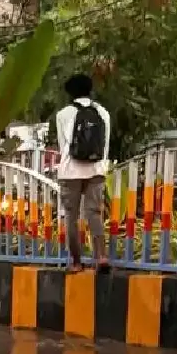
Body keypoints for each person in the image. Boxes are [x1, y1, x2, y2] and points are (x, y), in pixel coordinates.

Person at [55, 73, 112, 272]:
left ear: (70, 93)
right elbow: (105, 145)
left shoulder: (63, 114)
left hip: (70, 171)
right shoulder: (103, 112)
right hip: (96, 170)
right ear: (90, 89)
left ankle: (77, 262)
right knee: (94, 213)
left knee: (71, 216)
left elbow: (64, 146)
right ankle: (101, 257)